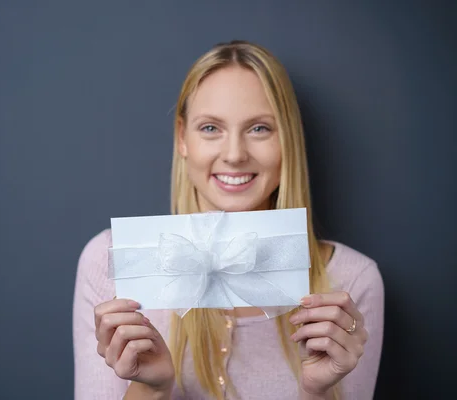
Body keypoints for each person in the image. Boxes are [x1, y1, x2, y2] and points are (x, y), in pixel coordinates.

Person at [72, 40, 384, 400]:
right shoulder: (108, 262)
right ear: (182, 138)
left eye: (259, 129)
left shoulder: (352, 282)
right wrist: (149, 388)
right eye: (210, 128)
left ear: (288, 142)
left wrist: (316, 391)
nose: (234, 154)